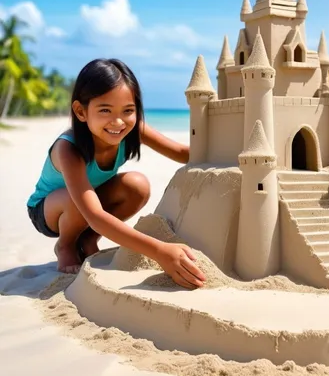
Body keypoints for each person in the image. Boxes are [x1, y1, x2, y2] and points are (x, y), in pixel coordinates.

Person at [27, 58, 206, 289]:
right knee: (76, 201)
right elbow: (94, 214)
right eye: (105, 110)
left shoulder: (132, 129)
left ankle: (89, 238)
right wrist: (160, 251)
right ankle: (66, 245)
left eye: (128, 110)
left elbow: (182, 153)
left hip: (89, 202)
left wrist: (232, 146)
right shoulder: (68, 149)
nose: (118, 121)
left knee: (137, 185)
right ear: (81, 111)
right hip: (49, 210)